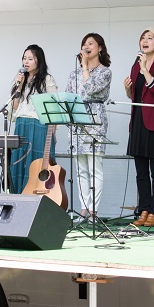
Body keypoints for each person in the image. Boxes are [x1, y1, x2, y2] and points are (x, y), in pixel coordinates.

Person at [124, 28, 154, 228]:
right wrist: (128, 88)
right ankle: (143, 209)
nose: (144, 41)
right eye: (142, 38)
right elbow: (135, 96)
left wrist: (145, 68)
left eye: (149, 38)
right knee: (140, 172)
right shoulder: (135, 66)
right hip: (138, 122)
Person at [64, 33, 112, 223]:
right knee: (80, 168)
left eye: (90, 43)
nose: (86, 46)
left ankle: (94, 211)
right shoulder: (73, 73)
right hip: (76, 119)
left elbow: (89, 89)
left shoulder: (105, 72)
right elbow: (69, 95)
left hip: (94, 119)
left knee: (94, 167)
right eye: (84, 44)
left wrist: (84, 67)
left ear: (100, 48)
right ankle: (83, 209)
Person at [9, 45, 58, 193]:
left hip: (39, 125)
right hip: (21, 124)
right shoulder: (20, 79)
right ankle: (19, 195)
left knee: (37, 162)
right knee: (20, 162)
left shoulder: (47, 79)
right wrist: (19, 85)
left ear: (39, 60)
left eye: (30, 58)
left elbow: (53, 109)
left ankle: (38, 196)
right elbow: (15, 106)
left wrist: (53, 134)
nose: (26, 62)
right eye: (24, 58)